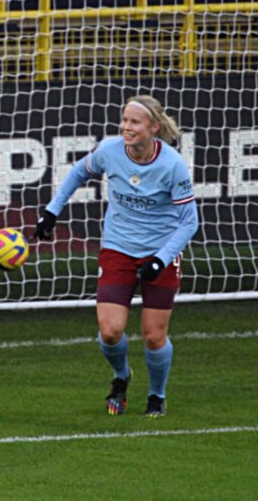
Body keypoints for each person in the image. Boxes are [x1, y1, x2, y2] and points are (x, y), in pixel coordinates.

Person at [34, 95, 198, 417]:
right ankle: (121, 377)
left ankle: (156, 395)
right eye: (124, 120)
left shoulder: (173, 165)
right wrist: (51, 213)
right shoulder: (109, 150)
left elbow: (189, 222)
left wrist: (160, 259)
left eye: (134, 122)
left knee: (154, 337)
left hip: (160, 252)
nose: (126, 127)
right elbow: (78, 173)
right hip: (118, 248)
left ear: (153, 127)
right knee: (110, 331)